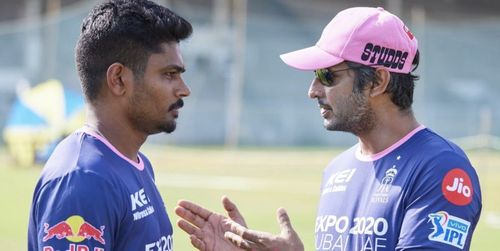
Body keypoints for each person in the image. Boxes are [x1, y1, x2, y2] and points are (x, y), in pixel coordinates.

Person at [174, 6, 482, 251]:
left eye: (327, 75)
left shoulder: (441, 170)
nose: (313, 90)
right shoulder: (337, 169)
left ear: (378, 81)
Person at [27, 0, 192, 250]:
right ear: (118, 79)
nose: (184, 89)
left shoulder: (136, 163)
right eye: (169, 74)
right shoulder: (84, 180)